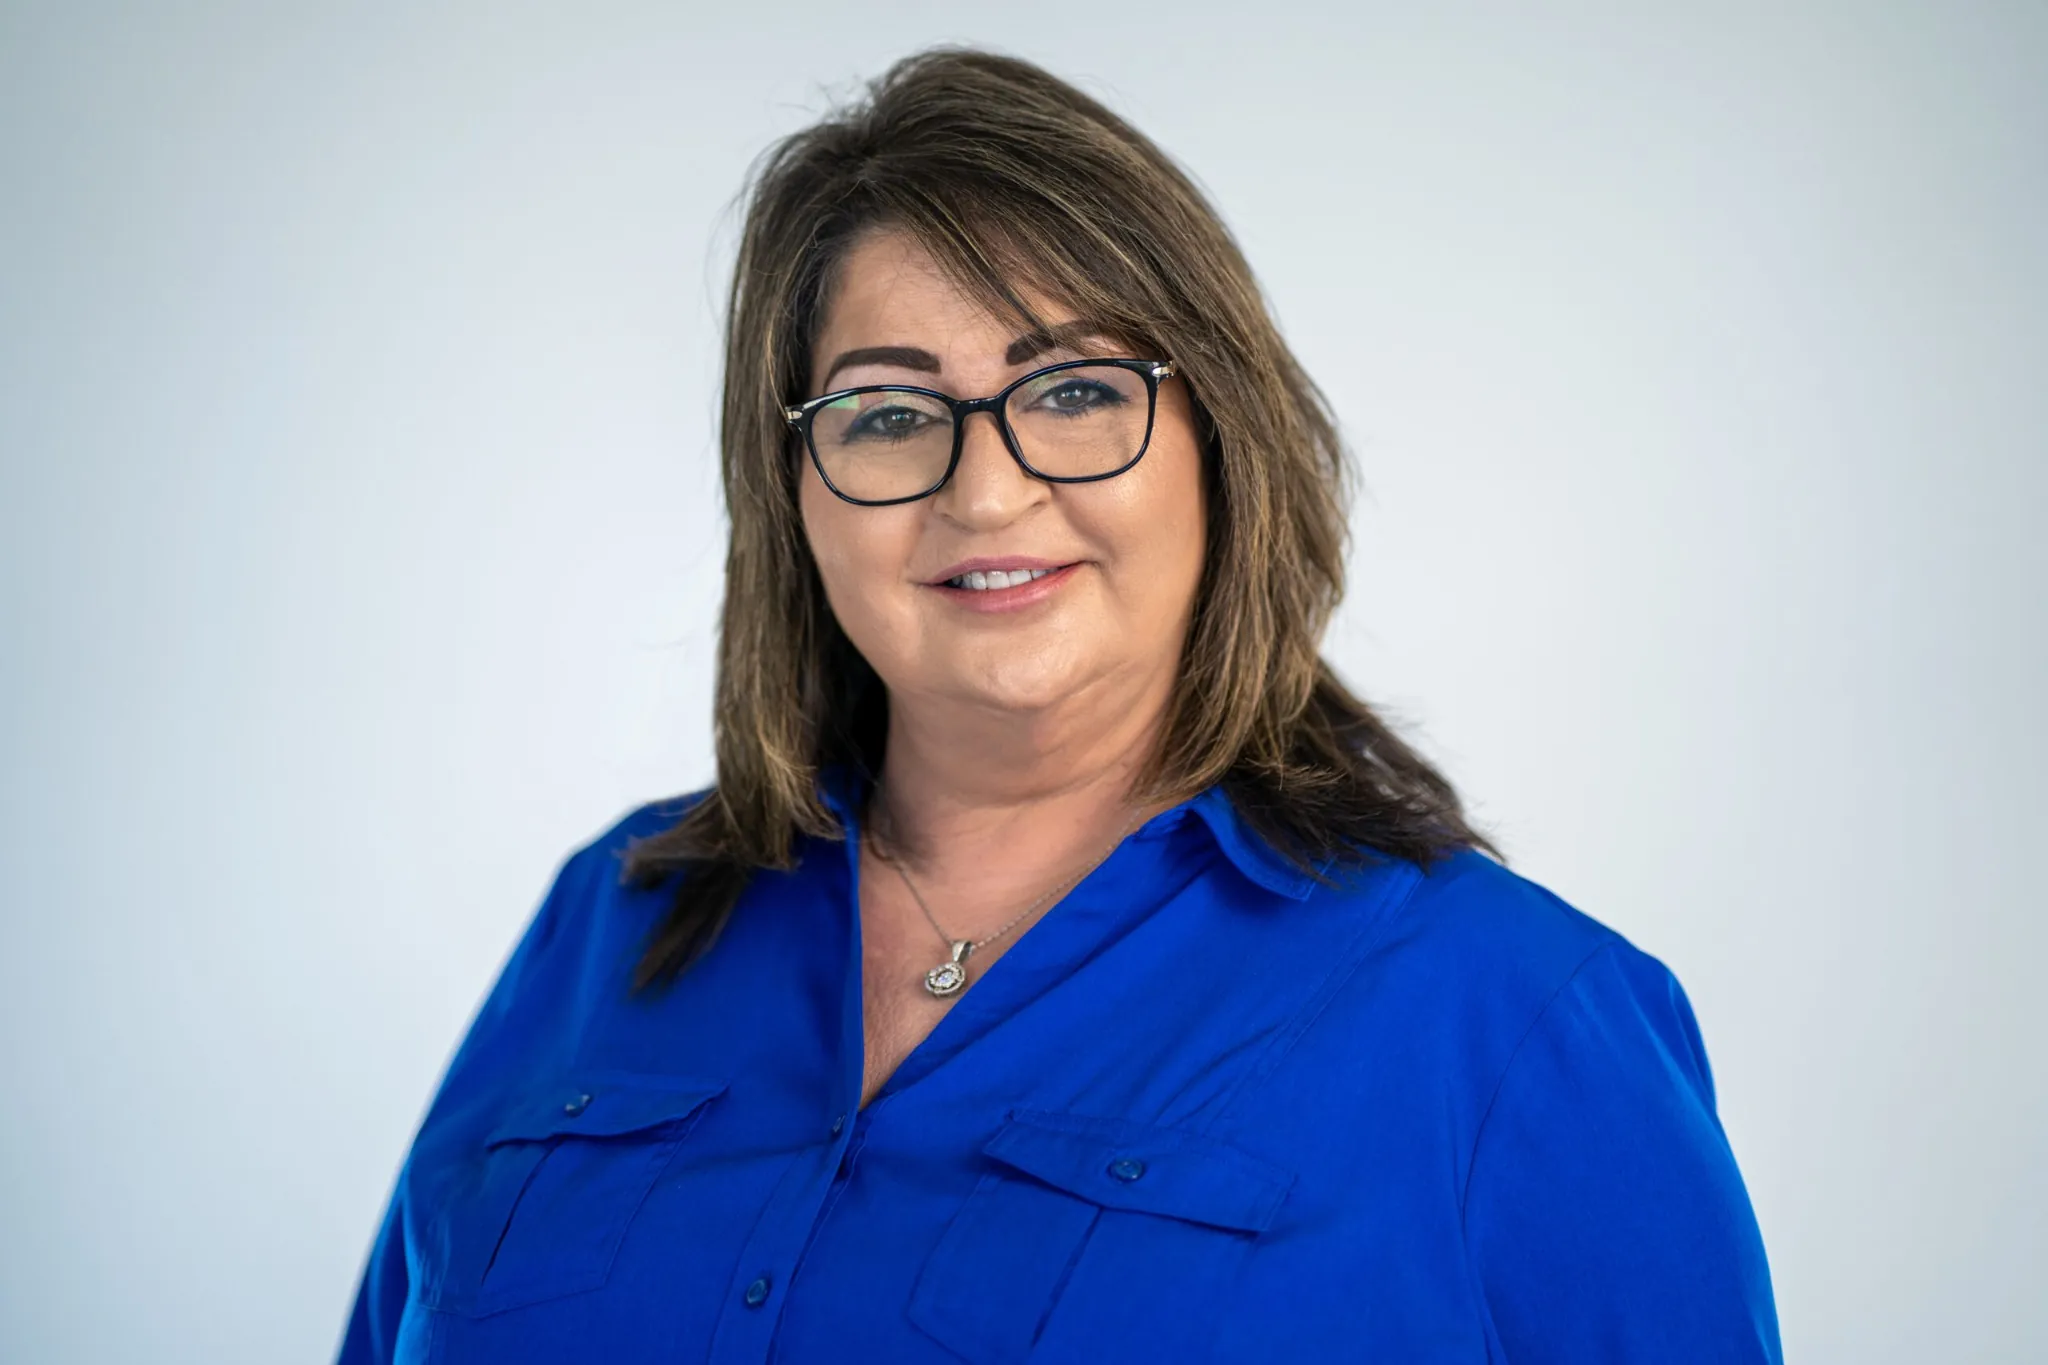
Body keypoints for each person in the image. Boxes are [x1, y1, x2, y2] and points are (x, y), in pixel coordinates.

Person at [337, 46, 1780, 1365]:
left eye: (1079, 390)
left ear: (1223, 441)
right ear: (792, 496)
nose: (987, 490)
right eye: (889, 413)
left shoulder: (1513, 1021)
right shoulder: (611, 926)